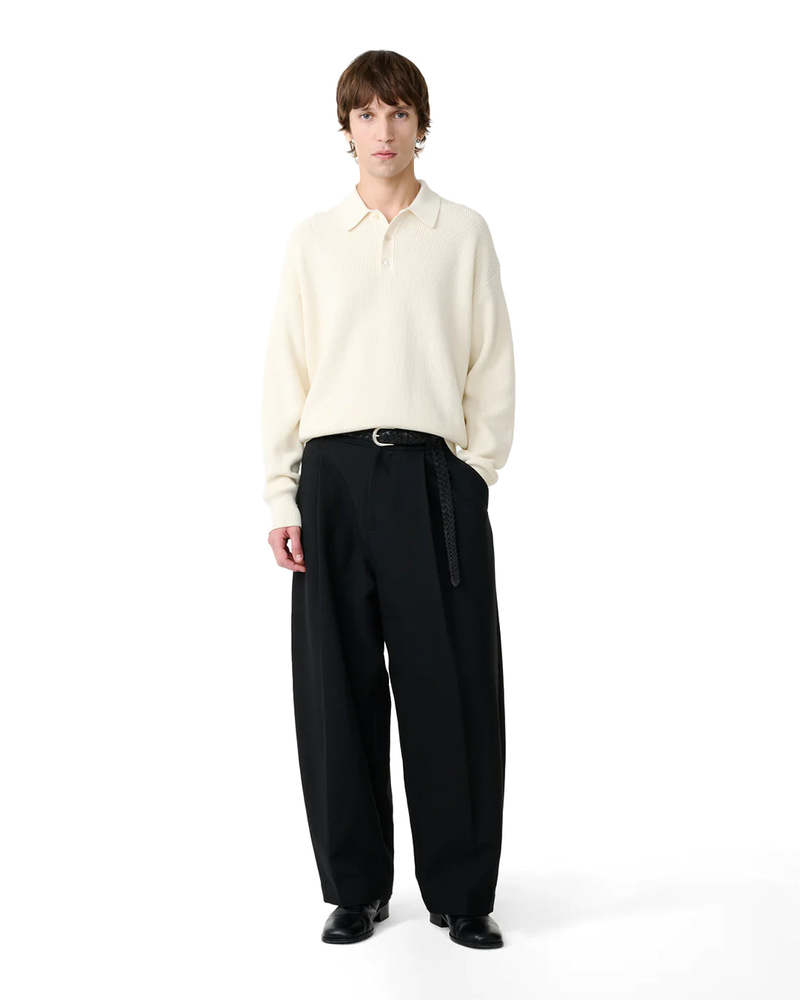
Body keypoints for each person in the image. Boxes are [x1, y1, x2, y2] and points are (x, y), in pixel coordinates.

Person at [261, 49, 515, 949]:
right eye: (367, 114)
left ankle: (461, 892)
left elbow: (491, 362)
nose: (383, 130)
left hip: (432, 478)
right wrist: (282, 498)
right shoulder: (313, 241)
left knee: (451, 686)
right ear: (346, 129)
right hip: (331, 479)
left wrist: (473, 474)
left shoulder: (462, 232)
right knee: (338, 691)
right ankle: (356, 888)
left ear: (421, 125)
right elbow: (286, 372)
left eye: (399, 112)